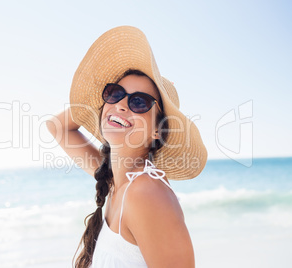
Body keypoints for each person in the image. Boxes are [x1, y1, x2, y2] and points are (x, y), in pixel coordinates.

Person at [46, 26, 207, 268]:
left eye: (139, 101)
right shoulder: (115, 181)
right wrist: (100, 101)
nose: (122, 104)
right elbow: (57, 126)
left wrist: (110, 103)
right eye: (115, 93)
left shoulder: (146, 193)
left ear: (157, 130)